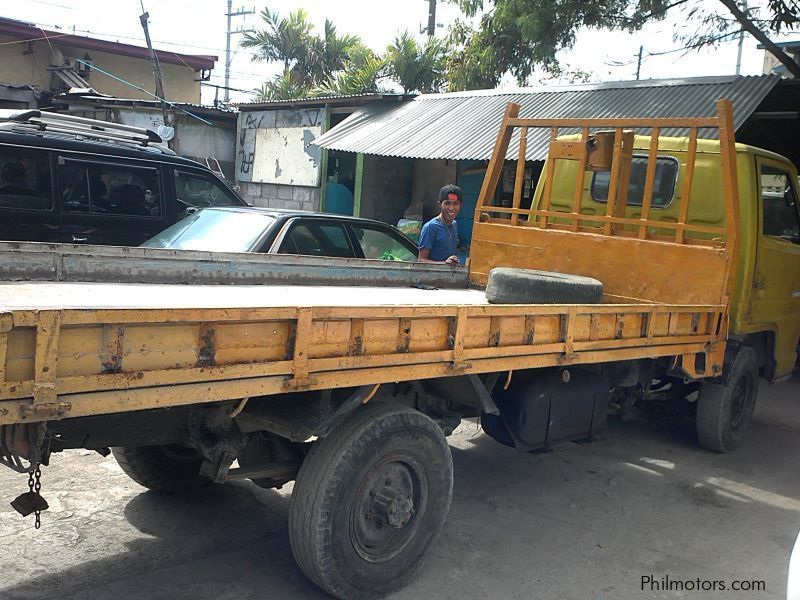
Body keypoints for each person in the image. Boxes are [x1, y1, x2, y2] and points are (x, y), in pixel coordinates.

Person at [418, 184, 462, 265]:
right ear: (439, 204)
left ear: (460, 205)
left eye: (455, 204)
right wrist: (444, 264)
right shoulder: (431, 227)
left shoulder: (454, 225)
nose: (451, 208)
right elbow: (421, 260)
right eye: (447, 203)